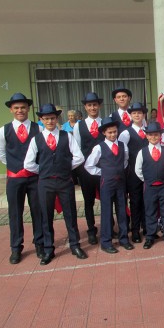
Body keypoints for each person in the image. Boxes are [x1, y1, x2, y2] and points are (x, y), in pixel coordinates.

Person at [24, 103, 87, 265]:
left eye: (52, 118)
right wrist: (44, 171)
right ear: (41, 120)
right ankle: (48, 249)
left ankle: (75, 245)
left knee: (70, 214)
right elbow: (28, 164)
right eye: (46, 119)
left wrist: (65, 168)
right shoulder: (36, 139)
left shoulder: (67, 136)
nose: (50, 121)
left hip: (65, 181)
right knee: (46, 216)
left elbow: (79, 157)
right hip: (45, 184)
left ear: (57, 118)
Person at [0, 92, 44, 264]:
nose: (20, 110)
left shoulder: (38, 128)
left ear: (28, 109)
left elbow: (42, 151)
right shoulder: (3, 131)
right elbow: (1, 154)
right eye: (16, 108)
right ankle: (16, 248)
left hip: (34, 178)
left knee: (38, 211)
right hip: (15, 178)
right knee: (15, 213)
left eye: (23, 107)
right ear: (11, 110)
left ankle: (40, 243)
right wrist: (15, 167)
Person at [85, 117, 133, 253]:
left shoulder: (123, 145)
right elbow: (89, 165)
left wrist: (118, 171)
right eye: (109, 132)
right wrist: (103, 172)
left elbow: (125, 161)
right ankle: (106, 242)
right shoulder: (99, 147)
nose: (112, 135)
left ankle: (124, 239)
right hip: (107, 183)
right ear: (104, 133)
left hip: (120, 182)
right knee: (106, 211)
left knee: (122, 210)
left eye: (114, 132)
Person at [135, 122, 164, 250]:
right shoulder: (142, 152)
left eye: (156, 135)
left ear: (160, 136)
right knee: (150, 212)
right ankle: (150, 236)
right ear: (146, 136)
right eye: (151, 135)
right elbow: (138, 170)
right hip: (150, 187)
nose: (153, 137)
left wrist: (162, 177)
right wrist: (148, 180)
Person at [73, 92, 104, 245]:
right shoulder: (79, 125)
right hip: (85, 170)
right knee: (88, 201)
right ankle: (91, 230)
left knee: (106, 199)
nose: (92, 107)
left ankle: (108, 227)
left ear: (99, 106)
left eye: (95, 105)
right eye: (89, 105)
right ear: (85, 107)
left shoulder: (105, 122)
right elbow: (77, 148)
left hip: (103, 169)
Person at [118, 102, 149, 243]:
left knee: (147, 200)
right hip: (133, 173)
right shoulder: (125, 133)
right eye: (134, 113)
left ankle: (147, 227)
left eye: (140, 113)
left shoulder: (149, 130)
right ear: (130, 115)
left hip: (148, 172)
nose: (137, 115)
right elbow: (122, 154)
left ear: (143, 115)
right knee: (135, 201)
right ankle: (135, 230)